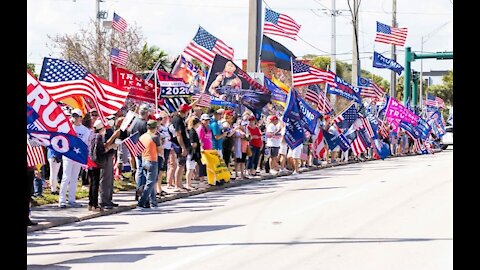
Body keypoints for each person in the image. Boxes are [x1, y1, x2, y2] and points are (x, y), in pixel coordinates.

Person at [59, 108, 91, 208]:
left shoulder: (85, 130)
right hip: (68, 155)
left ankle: (72, 199)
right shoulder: (67, 127)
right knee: (66, 177)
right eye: (73, 116)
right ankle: (62, 200)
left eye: (77, 116)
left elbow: (86, 144)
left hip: (78, 156)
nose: (75, 118)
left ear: (81, 118)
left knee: (74, 178)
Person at [137, 120, 162, 208]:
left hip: (144, 160)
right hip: (152, 160)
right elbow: (160, 150)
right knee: (150, 183)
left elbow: (138, 150)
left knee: (150, 183)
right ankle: (142, 201)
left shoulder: (142, 137)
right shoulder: (155, 137)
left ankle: (153, 202)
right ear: (155, 128)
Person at [88, 120, 108, 212]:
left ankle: (90, 203)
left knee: (92, 183)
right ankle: (95, 205)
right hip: (96, 162)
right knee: (95, 184)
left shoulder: (91, 135)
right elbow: (100, 150)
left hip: (89, 161)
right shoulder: (99, 137)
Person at [172, 103, 192, 191]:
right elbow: (178, 134)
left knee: (182, 165)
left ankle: (180, 184)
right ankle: (177, 185)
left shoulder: (181, 118)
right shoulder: (178, 120)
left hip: (184, 143)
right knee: (180, 165)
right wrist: (183, 147)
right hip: (180, 145)